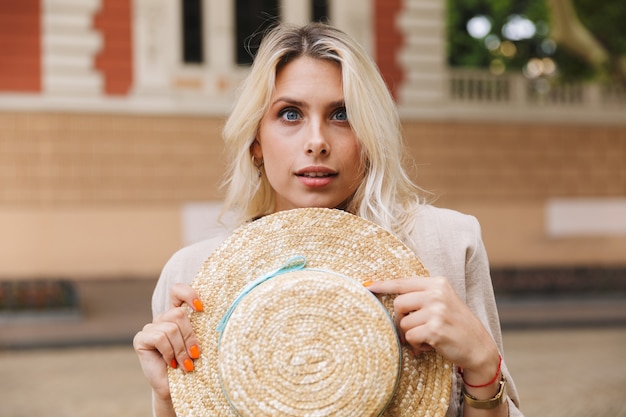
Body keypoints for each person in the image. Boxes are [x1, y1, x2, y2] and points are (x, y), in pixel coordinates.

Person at [133, 22, 524, 417]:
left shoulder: (446, 243)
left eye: (342, 114)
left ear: (369, 137)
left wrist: (481, 365)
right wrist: (170, 398)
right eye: (290, 114)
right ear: (255, 142)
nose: (316, 141)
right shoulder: (191, 275)